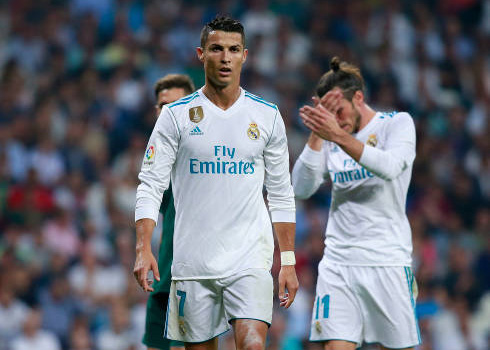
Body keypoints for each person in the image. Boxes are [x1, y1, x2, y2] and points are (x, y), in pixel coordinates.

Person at [133, 15, 298, 350]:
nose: (225, 58)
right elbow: (149, 184)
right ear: (201, 54)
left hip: (250, 257)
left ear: (245, 56)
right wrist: (142, 247)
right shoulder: (176, 116)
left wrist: (289, 261)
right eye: (217, 49)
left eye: (233, 50)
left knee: (252, 344)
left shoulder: (266, 116)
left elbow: (280, 192)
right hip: (193, 261)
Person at [292, 57, 420, 350]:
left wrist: (335, 135)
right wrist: (316, 134)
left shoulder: (397, 124)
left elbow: (390, 167)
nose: (336, 120)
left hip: (386, 259)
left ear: (359, 97)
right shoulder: (331, 136)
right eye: (329, 114)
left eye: (339, 111)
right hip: (339, 264)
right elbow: (300, 188)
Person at [142, 74, 195, 350]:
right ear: (156, 111)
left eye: (178, 103)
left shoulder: (204, 155)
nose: (170, 111)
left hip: (196, 276)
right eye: (164, 105)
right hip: (164, 274)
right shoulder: (157, 156)